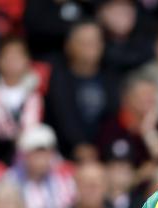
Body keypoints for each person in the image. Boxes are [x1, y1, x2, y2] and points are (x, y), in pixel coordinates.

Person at [44, 21, 118, 162]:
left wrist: (101, 148)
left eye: (95, 41)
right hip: (63, 153)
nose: (91, 47)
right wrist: (78, 144)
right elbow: (62, 116)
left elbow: (112, 118)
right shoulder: (57, 78)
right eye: (84, 42)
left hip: (104, 152)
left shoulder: (111, 78)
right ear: (69, 46)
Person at [0, 35, 44, 164]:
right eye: (7, 56)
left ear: (27, 60)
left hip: (32, 156)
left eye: (17, 56)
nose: (12, 60)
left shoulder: (39, 91)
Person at [7, 123, 78, 208]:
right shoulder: (9, 181)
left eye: (45, 152)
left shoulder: (65, 179)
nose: (42, 158)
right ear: (24, 155)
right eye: (36, 152)